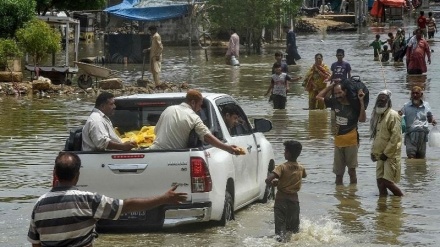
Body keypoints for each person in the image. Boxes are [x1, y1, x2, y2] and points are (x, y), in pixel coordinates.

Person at [28, 152, 187, 247]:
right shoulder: (88, 201)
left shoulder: (39, 205)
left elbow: (35, 243)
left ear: (55, 174)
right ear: (77, 175)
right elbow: (127, 206)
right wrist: (163, 199)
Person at [149, 89, 241, 154]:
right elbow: (208, 137)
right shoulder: (193, 117)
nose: (200, 109)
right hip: (174, 156)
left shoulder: (168, 109)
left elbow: (156, 131)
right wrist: (228, 148)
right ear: (193, 103)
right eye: (200, 105)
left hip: (152, 152)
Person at [316, 81, 366, 185]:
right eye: (336, 93)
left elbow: (362, 120)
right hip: (338, 141)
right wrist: (330, 86)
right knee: (338, 174)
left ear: (345, 91)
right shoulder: (334, 102)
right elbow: (318, 97)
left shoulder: (354, 105)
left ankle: (352, 196)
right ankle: (340, 197)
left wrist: (361, 102)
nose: (338, 95)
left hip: (351, 141)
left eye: (340, 93)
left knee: (352, 171)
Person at [265, 140, 307, 243]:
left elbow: (269, 179)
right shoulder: (301, 168)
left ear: (288, 153)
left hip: (281, 202)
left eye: (284, 151)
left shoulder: (282, 167)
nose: (283, 153)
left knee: (279, 233)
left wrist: (271, 182)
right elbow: (303, 176)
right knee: (293, 232)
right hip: (294, 202)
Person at [370, 90, 403, 196]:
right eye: (379, 99)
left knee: (387, 182)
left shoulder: (393, 115)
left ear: (388, 102)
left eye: (383, 99)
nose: (380, 101)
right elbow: (376, 137)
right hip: (380, 154)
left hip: (391, 155)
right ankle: (382, 206)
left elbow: (396, 138)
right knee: (380, 182)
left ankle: (401, 199)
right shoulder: (378, 116)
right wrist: (373, 152)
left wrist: (386, 153)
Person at [399, 86, 437, 159]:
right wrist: (399, 114)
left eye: (417, 93)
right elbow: (400, 117)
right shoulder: (406, 106)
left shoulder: (426, 106)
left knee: (421, 158)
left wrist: (432, 120)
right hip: (410, 135)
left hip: (422, 136)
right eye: (413, 93)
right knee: (411, 157)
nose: (415, 95)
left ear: (421, 95)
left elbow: (430, 119)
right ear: (411, 95)